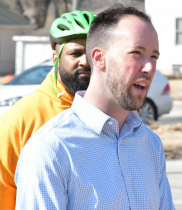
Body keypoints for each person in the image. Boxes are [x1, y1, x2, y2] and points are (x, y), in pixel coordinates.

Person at [15, 5, 175, 209]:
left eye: (154, 56)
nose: (150, 67)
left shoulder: (150, 144)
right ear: (99, 58)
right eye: (136, 53)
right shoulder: (49, 149)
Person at [0, 10, 95, 209]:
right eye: (75, 53)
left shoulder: (117, 115)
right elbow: (4, 191)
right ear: (56, 58)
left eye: (92, 53)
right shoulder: (21, 119)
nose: (85, 61)